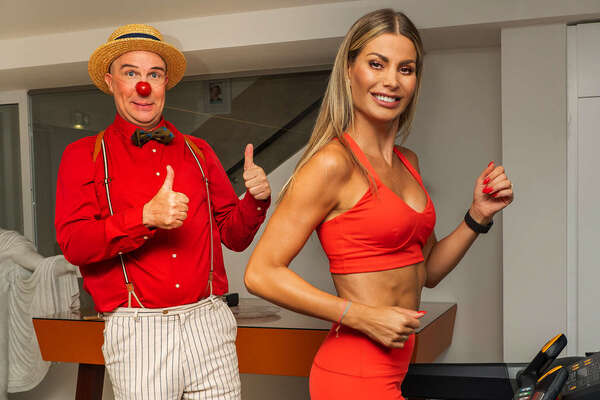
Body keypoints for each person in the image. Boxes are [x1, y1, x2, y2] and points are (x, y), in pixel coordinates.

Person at [244, 9, 513, 400]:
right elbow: (261, 273)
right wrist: (362, 316)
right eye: (376, 64)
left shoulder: (408, 162)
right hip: (352, 374)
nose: (391, 80)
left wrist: (477, 216)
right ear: (349, 70)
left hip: (393, 370)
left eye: (406, 69)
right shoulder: (333, 163)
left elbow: (427, 272)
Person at [55, 24, 271, 399]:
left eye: (154, 74)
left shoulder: (199, 151)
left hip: (209, 322)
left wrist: (255, 200)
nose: (144, 86)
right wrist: (143, 218)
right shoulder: (83, 155)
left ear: (165, 83)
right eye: (131, 73)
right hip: (139, 331)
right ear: (110, 82)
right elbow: (75, 244)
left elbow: (234, 237)